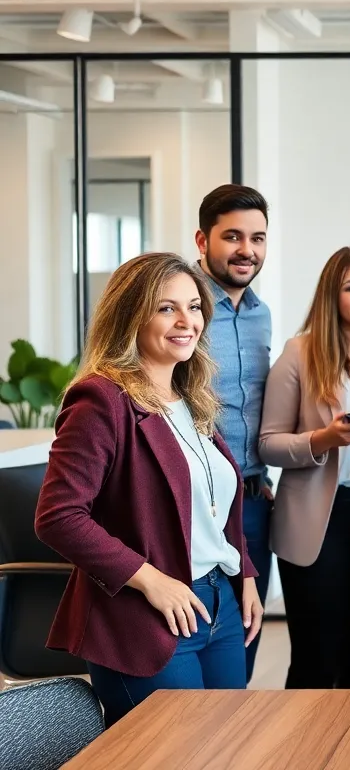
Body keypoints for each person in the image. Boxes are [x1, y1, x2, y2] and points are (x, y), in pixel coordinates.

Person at [35, 252, 262, 727]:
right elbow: (58, 516)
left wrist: (243, 572)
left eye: (194, 306)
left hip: (220, 606)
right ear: (130, 315)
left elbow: (215, 502)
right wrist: (151, 580)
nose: (187, 321)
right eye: (166, 308)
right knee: (177, 755)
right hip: (148, 615)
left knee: (228, 748)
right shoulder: (101, 399)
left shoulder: (192, 397)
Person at [259, 246, 350, 689]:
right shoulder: (300, 353)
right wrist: (323, 439)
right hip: (320, 519)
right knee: (316, 659)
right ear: (332, 296)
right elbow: (268, 444)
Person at [193, 183, 274, 682]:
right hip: (194, 502)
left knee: (245, 635)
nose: (247, 250)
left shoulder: (261, 314)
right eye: (233, 237)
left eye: (258, 238)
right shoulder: (181, 309)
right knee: (194, 628)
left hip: (252, 499)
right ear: (202, 241)